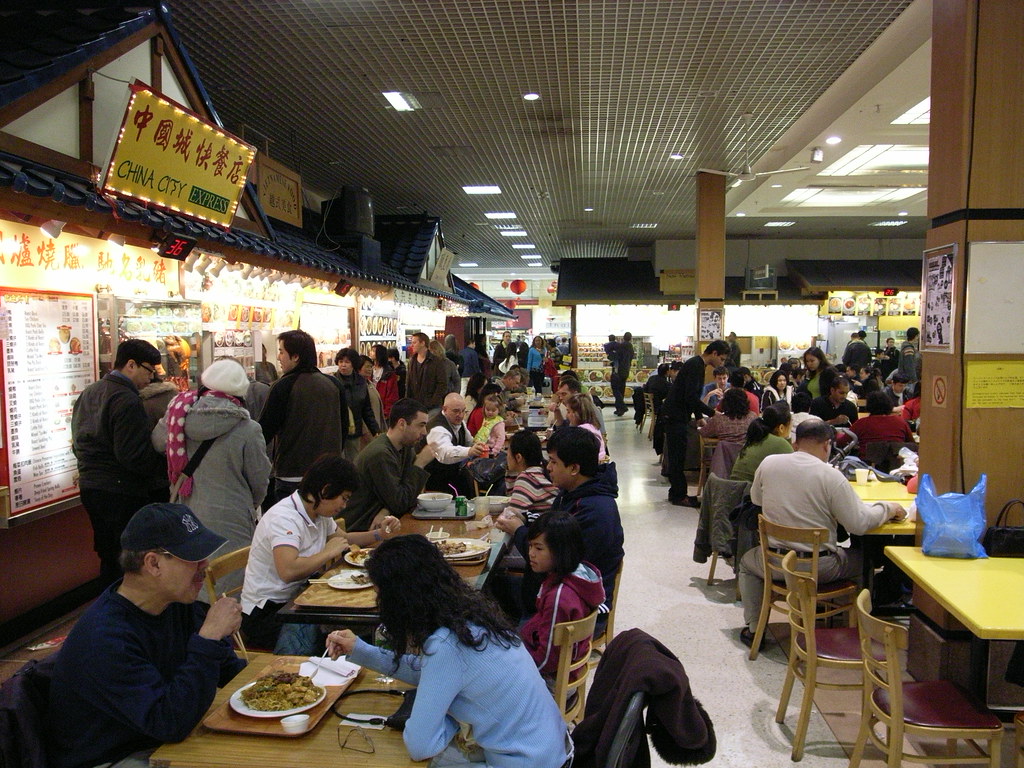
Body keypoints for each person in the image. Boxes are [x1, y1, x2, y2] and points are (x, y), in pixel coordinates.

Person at [325, 536, 572, 768]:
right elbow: (429, 671)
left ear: (399, 599)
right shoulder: (472, 617)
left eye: (380, 594)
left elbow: (420, 746)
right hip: (553, 750)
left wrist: (449, 713)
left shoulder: (447, 645)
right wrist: (359, 649)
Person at [46, 503, 246, 768]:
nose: (204, 565)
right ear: (153, 563)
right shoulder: (106, 637)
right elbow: (169, 724)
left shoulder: (175, 604)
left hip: (157, 737)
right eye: (194, 557)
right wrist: (208, 637)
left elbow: (230, 672)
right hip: (113, 756)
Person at [736, 419, 907, 649]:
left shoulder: (769, 464)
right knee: (864, 559)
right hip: (818, 567)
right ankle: (855, 628)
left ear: (796, 442)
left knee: (747, 563)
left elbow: (757, 499)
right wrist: (888, 508)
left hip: (774, 561)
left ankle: (754, 628)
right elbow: (859, 524)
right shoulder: (831, 477)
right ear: (827, 445)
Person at [240, 454, 399, 655]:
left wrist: (380, 533)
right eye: (344, 498)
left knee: (361, 623)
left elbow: (345, 539)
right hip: (269, 612)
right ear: (325, 490)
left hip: (302, 599)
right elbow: (288, 571)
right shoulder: (284, 518)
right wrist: (327, 552)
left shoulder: (317, 511)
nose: (344, 506)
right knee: (346, 634)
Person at [151, 359, 271, 598]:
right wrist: (249, 503)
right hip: (233, 517)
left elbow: (157, 442)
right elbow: (259, 481)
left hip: (187, 512)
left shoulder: (177, 414)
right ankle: (226, 633)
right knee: (230, 583)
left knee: (191, 579)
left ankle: (196, 631)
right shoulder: (248, 429)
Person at [502, 427, 623, 631]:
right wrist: (527, 519)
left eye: (553, 461)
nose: (547, 467)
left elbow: (557, 560)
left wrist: (519, 531)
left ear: (574, 468)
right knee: (493, 586)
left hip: (571, 612)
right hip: (553, 591)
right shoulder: (571, 493)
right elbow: (552, 528)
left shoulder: (594, 511)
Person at [72, 338, 167, 584]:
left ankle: (108, 609)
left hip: (91, 486)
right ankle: (122, 613)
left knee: (108, 553)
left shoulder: (90, 391)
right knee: (127, 560)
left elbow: (77, 442)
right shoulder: (126, 398)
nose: (152, 377)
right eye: (149, 370)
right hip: (120, 491)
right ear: (131, 365)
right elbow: (132, 456)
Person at [259, 329, 349, 507]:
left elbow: (264, 432)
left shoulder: (283, 386)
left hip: (292, 475)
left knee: (291, 529)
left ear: (295, 357)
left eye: (281, 351)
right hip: (329, 475)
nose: (278, 357)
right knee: (323, 529)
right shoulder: (333, 384)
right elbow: (343, 428)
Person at [519, 512, 604, 685]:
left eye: (539, 548)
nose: (531, 554)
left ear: (560, 551)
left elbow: (548, 660)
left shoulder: (559, 598)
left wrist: (517, 666)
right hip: (561, 667)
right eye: (530, 546)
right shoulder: (578, 574)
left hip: (553, 681)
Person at [340, 398, 434, 531]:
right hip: (362, 528)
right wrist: (420, 464)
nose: (425, 432)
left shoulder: (405, 448)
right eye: (421, 425)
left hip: (384, 523)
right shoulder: (380, 454)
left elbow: (411, 493)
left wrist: (385, 510)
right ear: (402, 424)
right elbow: (401, 502)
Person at [663, 340, 730, 507]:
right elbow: (690, 397)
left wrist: (699, 415)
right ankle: (679, 496)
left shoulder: (697, 364)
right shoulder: (696, 365)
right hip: (675, 416)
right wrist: (712, 412)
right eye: (721, 359)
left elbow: (691, 394)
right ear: (714, 353)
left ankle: (676, 493)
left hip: (677, 414)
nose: (721, 363)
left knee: (678, 455)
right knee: (678, 457)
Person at [422, 392, 485, 496]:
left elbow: (470, 441)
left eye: (463, 411)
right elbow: (444, 453)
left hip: (454, 475)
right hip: (436, 481)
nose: (460, 415)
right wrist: (469, 451)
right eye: (456, 411)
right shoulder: (437, 428)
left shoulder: (459, 422)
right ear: (445, 409)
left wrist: (479, 445)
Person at [499, 430, 558, 524]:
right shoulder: (541, 469)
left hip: (539, 530)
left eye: (508, 452)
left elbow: (510, 517)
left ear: (518, 457)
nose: (506, 457)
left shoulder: (527, 478)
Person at [334, 347, 381, 461]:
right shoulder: (333, 381)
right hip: (336, 432)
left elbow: (366, 409)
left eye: (347, 362)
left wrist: (376, 430)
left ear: (353, 364)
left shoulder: (360, 382)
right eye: (341, 362)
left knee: (353, 462)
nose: (343, 365)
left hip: (354, 431)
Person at [729, 402, 794, 482]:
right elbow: (794, 471)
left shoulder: (757, 437)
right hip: (749, 491)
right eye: (790, 425)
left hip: (734, 490)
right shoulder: (780, 443)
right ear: (781, 428)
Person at [850, 391, 915, 456]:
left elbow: (843, 442)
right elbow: (912, 444)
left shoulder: (862, 423)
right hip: (896, 462)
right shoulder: (900, 422)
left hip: (866, 463)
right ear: (889, 404)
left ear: (869, 405)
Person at [565, 392, 606, 461]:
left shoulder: (583, 432)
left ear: (576, 414)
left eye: (569, 412)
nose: (567, 415)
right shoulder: (592, 426)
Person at [358, 355, 386, 449]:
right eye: (367, 366)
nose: (370, 369)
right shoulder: (358, 386)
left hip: (375, 429)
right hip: (365, 433)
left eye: (371, 367)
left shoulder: (369, 384)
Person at [372, 345, 401, 419]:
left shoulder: (388, 372)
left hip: (383, 407)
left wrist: (387, 412)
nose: (371, 353)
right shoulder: (370, 369)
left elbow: (392, 394)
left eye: (373, 351)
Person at [610, 331, 635, 416]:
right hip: (626, 370)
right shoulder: (631, 347)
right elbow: (630, 358)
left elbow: (616, 357)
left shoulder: (620, 346)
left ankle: (622, 407)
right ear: (630, 338)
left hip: (618, 370)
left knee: (615, 388)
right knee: (621, 389)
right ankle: (619, 409)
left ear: (623, 337)